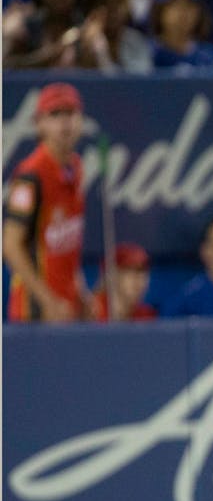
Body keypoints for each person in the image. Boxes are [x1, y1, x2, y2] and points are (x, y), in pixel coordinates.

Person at [3, 83, 89, 322]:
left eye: (70, 113)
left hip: (67, 306)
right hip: (35, 312)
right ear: (39, 123)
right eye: (55, 114)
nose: (64, 123)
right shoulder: (30, 176)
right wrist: (47, 301)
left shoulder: (76, 168)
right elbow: (9, 245)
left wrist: (81, 293)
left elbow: (69, 244)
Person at [92, 241, 158, 321]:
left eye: (143, 272)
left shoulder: (145, 315)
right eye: (130, 272)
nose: (139, 279)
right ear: (110, 276)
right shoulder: (92, 310)